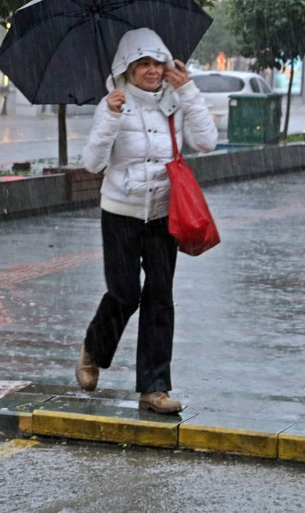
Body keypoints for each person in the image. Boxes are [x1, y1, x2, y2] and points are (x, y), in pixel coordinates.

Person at [76, 28, 218, 414]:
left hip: (162, 213)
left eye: (157, 63)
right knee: (124, 293)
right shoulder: (114, 104)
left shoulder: (174, 102)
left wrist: (189, 93)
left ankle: (154, 388)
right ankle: (94, 348)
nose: (152, 71)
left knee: (160, 298)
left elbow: (207, 142)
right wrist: (109, 116)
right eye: (143, 64)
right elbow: (92, 164)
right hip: (120, 211)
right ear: (128, 67)